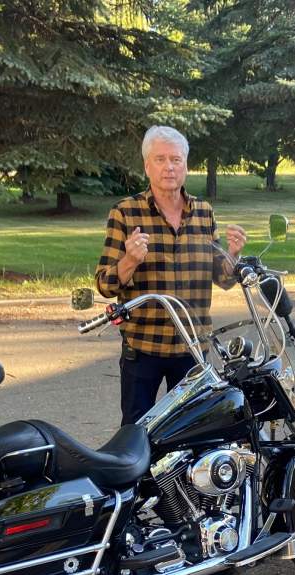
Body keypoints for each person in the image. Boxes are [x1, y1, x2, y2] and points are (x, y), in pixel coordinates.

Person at [95, 125, 247, 425]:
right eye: (160, 159)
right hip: (144, 347)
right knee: (137, 433)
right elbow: (105, 284)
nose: (169, 167)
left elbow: (223, 278)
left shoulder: (203, 211)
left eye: (176, 159)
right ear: (147, 166)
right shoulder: (125, 212)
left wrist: (233, 253)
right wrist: (130, 260)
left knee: (191, 431)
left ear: (186, 166)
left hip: (193, 347)